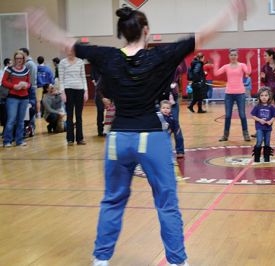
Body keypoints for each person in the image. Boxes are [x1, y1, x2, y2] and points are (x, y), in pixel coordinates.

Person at [23, 1, 248, 265]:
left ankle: (101, 259)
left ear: (122, 31)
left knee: (112, 200)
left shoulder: (107, 56)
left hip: (118, 139)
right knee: (166, 202)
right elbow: (201, 36)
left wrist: (41, 26)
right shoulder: (160, 56)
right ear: (146, 30)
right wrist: (229, 13)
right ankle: (177, 261)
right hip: (151, 138)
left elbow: (68, 43)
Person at [211, 48, 253, 142]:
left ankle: (246, 134)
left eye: (235, 55)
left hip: (240, 93)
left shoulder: (242, 65)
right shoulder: (226, 66)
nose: (233, 56)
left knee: (242, 115)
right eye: (231, 55)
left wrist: (248, 60)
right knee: (228, 115)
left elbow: (248, 72)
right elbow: (216, 73)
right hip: (229, 94)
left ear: (237, 56)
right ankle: (225, 135)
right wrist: (216, 60)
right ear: (229, 56)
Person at [59, 50, 88, 145]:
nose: (70, 52)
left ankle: (80, 138)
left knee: (79, 115)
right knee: (70, 115)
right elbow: (61, 79)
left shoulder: (80, 61)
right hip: (68, 90)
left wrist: (86, 91)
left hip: (79, 90)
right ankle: (70, 139)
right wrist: (62, 92)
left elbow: (83, 77)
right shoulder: (62, 62)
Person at [1, 51, 30, 147]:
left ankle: (19, 140)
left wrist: (26, 85)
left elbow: (29, 83)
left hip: (24, 97)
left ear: (23, 59)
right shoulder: (9, 69)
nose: (19, 60)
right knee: (11, 120)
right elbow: (4, 82)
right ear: (14, 59)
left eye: (20, 58)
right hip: (12, 97)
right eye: (17, 58)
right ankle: (7, 141)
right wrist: (14, 86)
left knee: (21, 121)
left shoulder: (26, 70)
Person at [260, 49, 275, 138]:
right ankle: (263, 129)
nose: (264, 57)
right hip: (268, 92)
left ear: (271, 56)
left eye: (265, 55)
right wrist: (263, 78)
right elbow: (264, 81)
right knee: (265, 111)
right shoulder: (264, 67)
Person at [250, 87, 275, 163]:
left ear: (269, 96)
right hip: (259, 127)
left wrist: (270, 121)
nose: (264, 97)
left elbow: (274, 116)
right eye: (262, 95)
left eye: (266, 95)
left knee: (267, 142)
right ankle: (257, 157)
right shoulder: (257, 106)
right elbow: (253, 115)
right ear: (259, 97)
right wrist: (259, 120)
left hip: (268, 128)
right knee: (259, 141)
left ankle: (266, 157)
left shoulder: (271, 107)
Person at [20, 48, 38, 134]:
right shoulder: (32, 63)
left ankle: (30, 127)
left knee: (29, 108)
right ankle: (31, 128)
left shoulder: (28, 64)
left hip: (29, 88)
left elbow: (29, 79)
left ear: (25, 54)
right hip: (31, 87)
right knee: (31, 107)